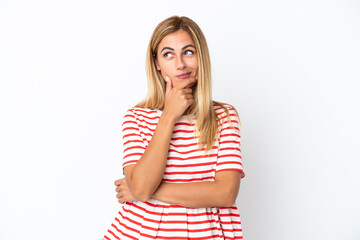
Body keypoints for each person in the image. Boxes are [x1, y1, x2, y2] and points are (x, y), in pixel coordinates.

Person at [103, 15, 245, 240]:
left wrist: (144, 192)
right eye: (168, 54)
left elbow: (225, 193)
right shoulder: (136, 118)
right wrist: (169, 115)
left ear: (201, 56)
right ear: (157, 64)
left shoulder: (224, 117)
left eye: (188, 52)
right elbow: (141, 187)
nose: (180, 64)